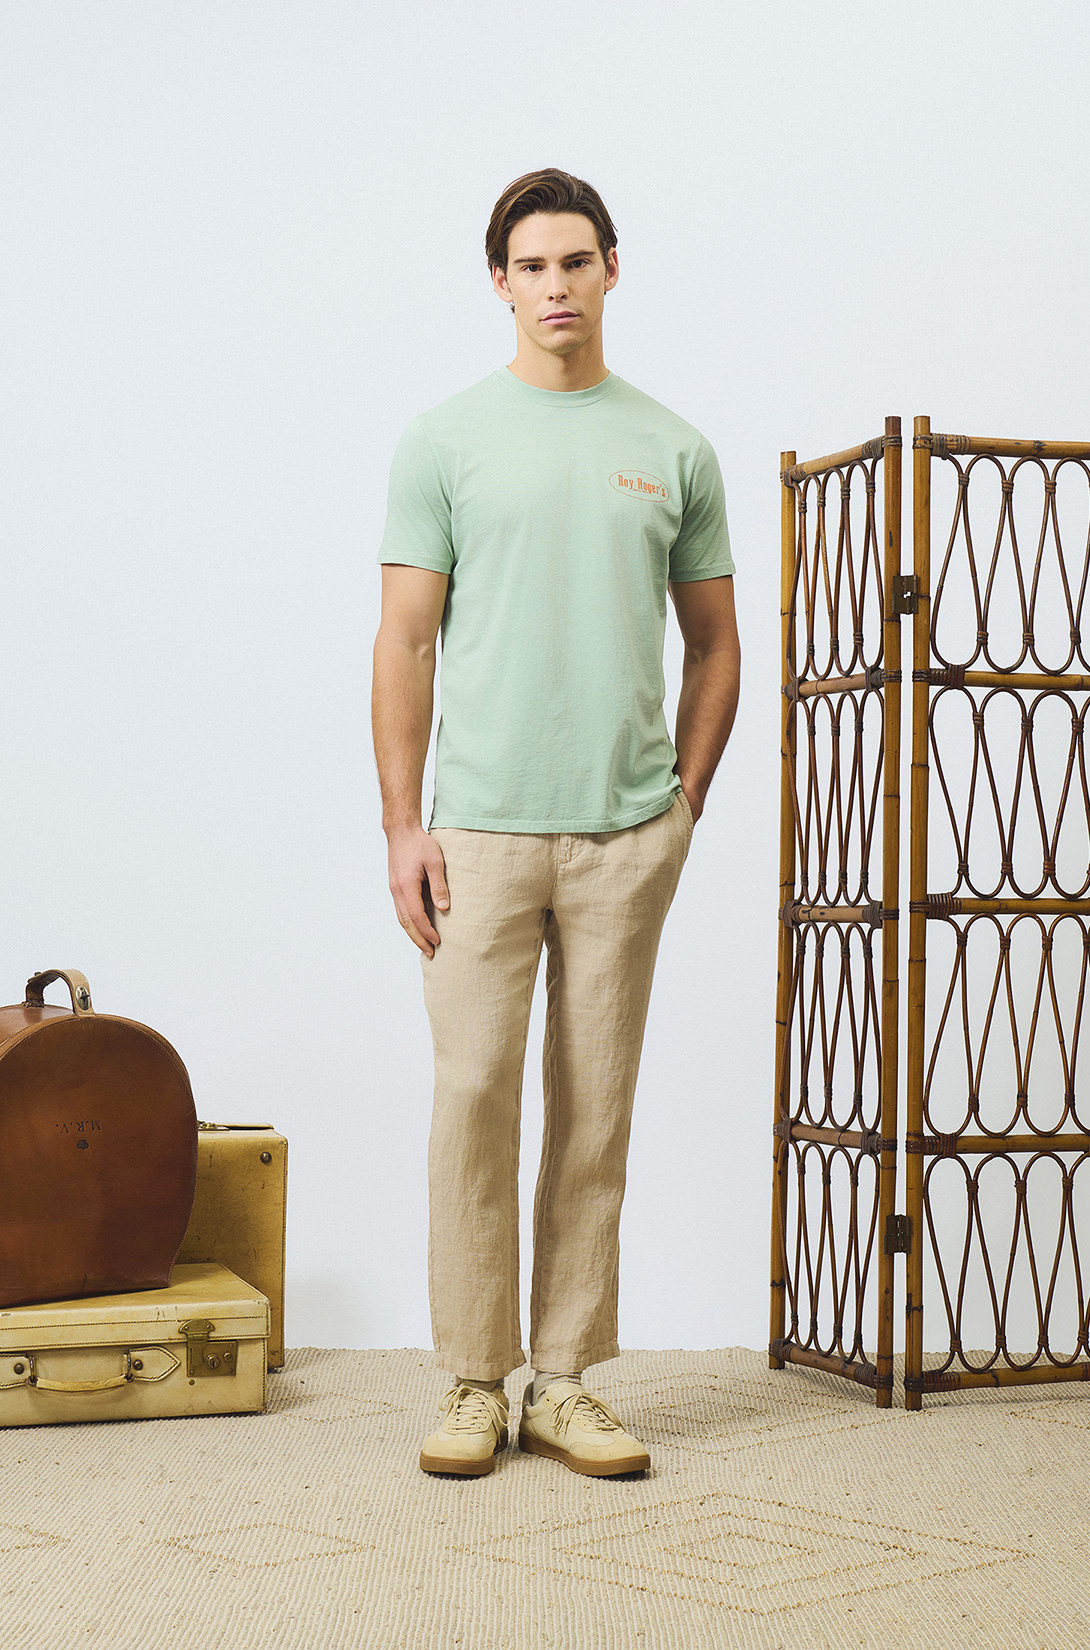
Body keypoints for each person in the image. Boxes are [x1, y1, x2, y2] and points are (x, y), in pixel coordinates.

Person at [372, 168, 740, 1478]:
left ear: (612, 269)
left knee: (595, 1106)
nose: (555, 286)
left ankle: (567, 1378)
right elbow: (405, 641)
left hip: (623, 834)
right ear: (500, 283)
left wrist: (681, 806)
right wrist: (403, 825)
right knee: (474, 1095)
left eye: (576, 261)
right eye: (530, 266)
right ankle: (477, 1379)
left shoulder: (675, 447)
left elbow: (715, 643)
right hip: (477, 832)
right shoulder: (444, 441)